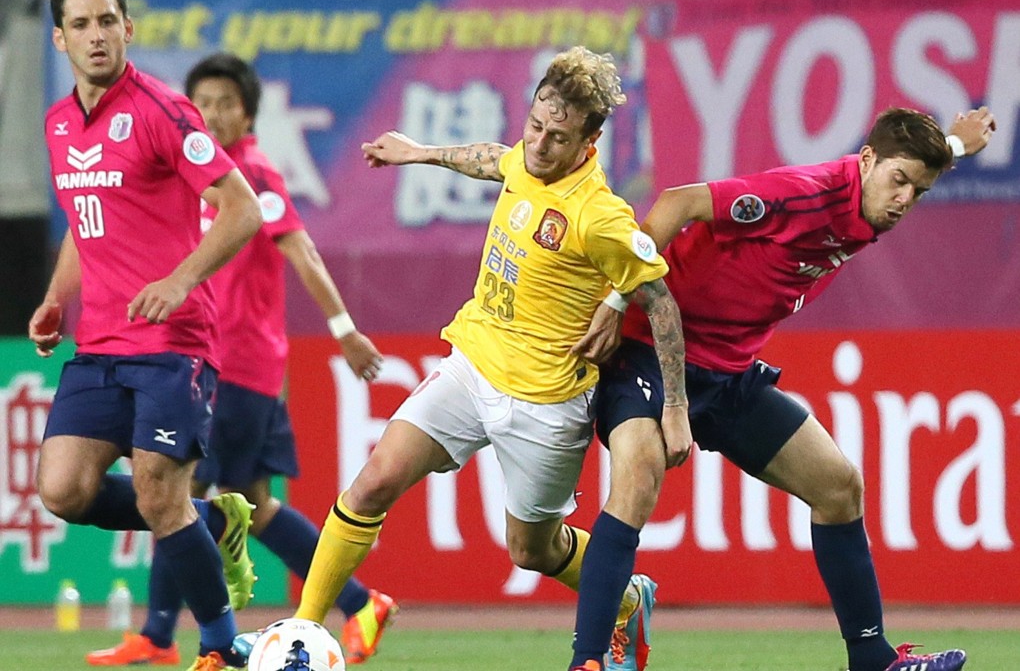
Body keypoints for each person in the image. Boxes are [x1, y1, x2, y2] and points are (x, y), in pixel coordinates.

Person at [276, 46, 692, 671]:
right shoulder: (527, 158)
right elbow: (490, 161)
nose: (540, 145)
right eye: (535, 126)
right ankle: (304, 635)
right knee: (374, 481)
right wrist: (417, 150)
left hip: (547, 403)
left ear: (590, 139)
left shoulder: (600, 216)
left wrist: (677, 408)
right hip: (472, 365)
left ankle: (626, 598)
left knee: (530, 548)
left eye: (558, 137)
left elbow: (662, 303)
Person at [569, 106, 996, 671]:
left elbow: (910, 158)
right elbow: (678, 201)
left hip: (728, 374)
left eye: (917, 193)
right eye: (898, 183)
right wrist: (618, 297)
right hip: (652, 350)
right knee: (640, 475)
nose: (903, 201)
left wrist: (957, 144)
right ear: (866, 161)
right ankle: (588, 661)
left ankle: (873, 659)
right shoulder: (801, 195)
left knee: (839, 487)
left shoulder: (882, 184)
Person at [84, 52, 398, 668]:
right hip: (210, 362)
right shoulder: (189, 179)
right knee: (245, 498)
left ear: (249, 111)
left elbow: (301, 250)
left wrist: (344, 329)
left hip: (239, 366)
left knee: (180, 490)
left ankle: (165, 632)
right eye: (204, 103)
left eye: (228, 103)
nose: (215, 114)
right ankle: (361, 602)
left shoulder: (251, 172)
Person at [30, 0, 263, 670]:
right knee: (63, 490)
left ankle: (222, 648)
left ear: (127, 29)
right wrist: (54, 297)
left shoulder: (162, 110)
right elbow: (86, 217)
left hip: (174, 341)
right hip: (99, 344)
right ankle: (214, 523)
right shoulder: (57, 126)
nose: (96, 36)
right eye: (81, 25)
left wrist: (180, 279)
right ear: (60, 40)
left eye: (107, 22)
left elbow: (240, 209)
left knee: (160, 489)